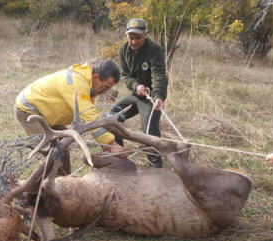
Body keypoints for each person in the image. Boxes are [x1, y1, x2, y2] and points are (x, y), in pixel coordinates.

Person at [15, 60, 125, 173]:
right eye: (105, 87)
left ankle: (64, 183)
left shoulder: (88, 84)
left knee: (63, 146)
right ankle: (38, 189)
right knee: (52, 154)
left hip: (49, 114)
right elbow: (89, 116)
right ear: (96, 77)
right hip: (29, 112)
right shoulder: (76, 83)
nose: (105, 92)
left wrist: (106, 145)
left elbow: (89, 115)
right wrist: (111, 143)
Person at [109, 18, 168, 168]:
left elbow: (158, 75)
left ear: (145, 34)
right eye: (131, 37)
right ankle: (119, 158)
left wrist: (158, 97)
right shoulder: (123, 50)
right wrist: (136, 87)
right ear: (126, 35)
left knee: (149, 129)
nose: (134, 42)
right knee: (111, 117)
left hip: (150, 97)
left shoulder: (154, 49)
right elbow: (125, 75)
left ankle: (156, 167)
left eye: (138, 38)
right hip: (135, 95)